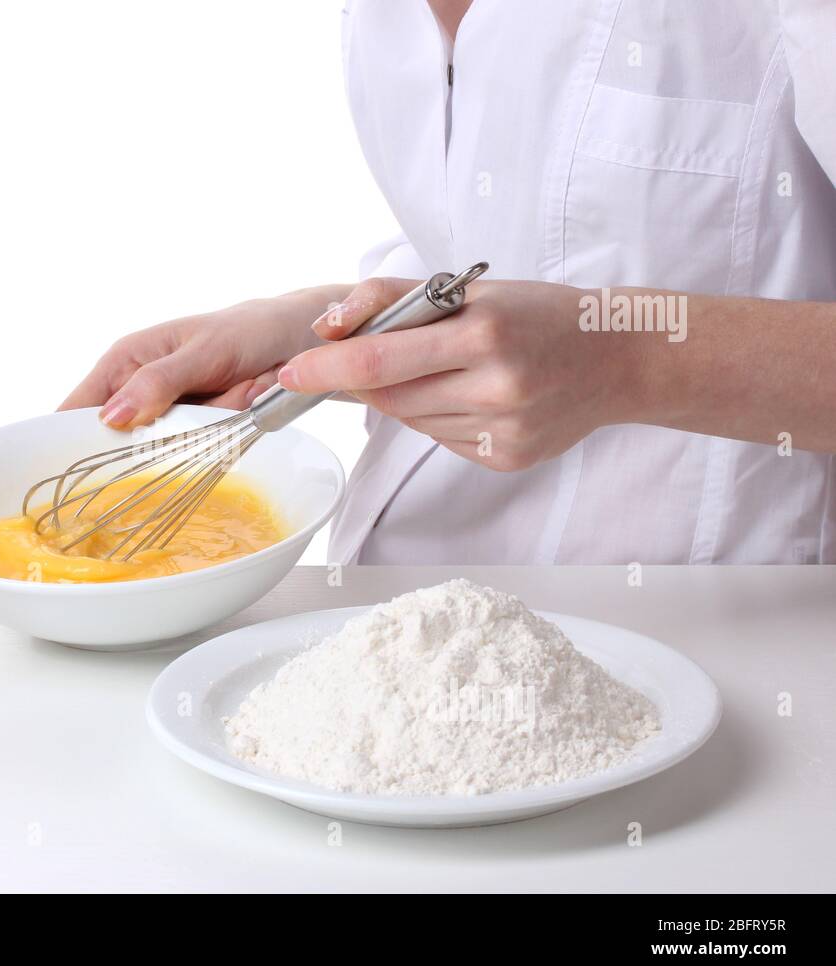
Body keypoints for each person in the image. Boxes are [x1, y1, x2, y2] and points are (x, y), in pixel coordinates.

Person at [61, 0, 836, 565]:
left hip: (727, 635)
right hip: (403, 613)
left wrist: (627, 358)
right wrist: (316, 325)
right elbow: (509, 245)